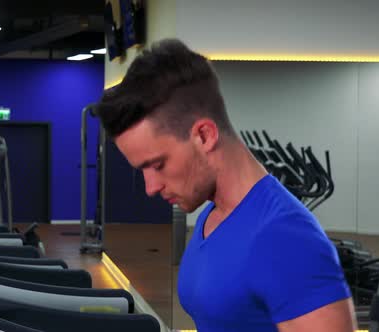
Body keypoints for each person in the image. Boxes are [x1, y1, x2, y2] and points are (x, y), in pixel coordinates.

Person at [95, 38, 355, 332]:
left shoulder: (286, 238)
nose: (150, 187)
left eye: (157, 165)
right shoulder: (212, 215)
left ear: (204, 136)